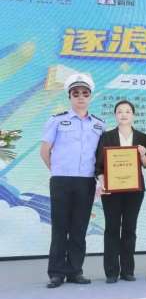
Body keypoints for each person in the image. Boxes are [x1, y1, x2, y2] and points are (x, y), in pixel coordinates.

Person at [40, 73, 105, 288]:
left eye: (85, 93)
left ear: (90, 97)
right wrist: (57, 171)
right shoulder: (57, 120)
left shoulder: (99, 124)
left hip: (86, 182)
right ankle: (56, 273)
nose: (80, 97)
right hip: (61, 181)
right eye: (76, 93)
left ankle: (75, 270)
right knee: (60, 227)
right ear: (69, 96)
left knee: (79, 227)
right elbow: (45, 151)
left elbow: (101, 156)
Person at [95, 100, 146, 283]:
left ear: (133, 115)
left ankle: (128, 270)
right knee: (112, 228)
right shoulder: (106, 137)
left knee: (129, 229)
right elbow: (98, 165)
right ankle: (111, 272)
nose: (124, 114)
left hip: (134, 190)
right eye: (120, 111)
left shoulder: (142, 137)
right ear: (115, 115)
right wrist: (103, 182)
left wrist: (142, 154)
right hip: (111, 190)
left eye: (127, 111)